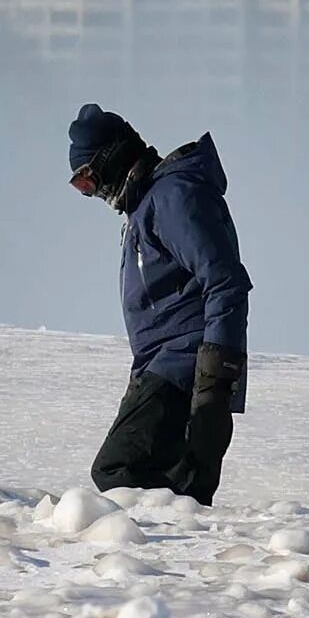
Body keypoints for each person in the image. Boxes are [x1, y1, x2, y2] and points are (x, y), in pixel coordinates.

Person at [67, 102, 251, 503]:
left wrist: (214, 382)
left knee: (119, 471)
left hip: (185, 366)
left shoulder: (173, 197)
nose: (92, 194)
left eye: (87, 180)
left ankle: (151, 551)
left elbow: (225, 281)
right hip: (163, 367)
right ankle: (175, 554)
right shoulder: (149, 206)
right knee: (180, 490)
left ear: (111, 159)